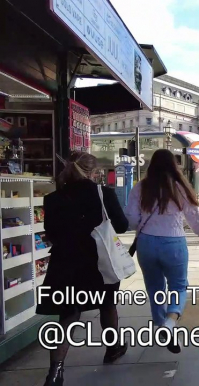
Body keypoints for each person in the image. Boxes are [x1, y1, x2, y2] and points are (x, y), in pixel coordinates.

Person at [37, 152, 129, 386]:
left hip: (65, 262)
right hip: (99, 262)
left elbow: (51, 234)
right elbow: (122, 225)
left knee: (67, 314)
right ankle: (113, 348)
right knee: (107, 304)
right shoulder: (103, 194)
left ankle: (55, 371)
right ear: (93, 172)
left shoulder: (53, 198)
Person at [124, 149, 199, 354]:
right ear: (174, 165)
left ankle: (160, 325)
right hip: (173, 242)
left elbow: (131, 219)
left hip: (146, 243)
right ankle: (170, 324)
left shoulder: (140, 187)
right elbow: (194, 216)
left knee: (155, 289)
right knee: (179, 285)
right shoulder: (179, 187)